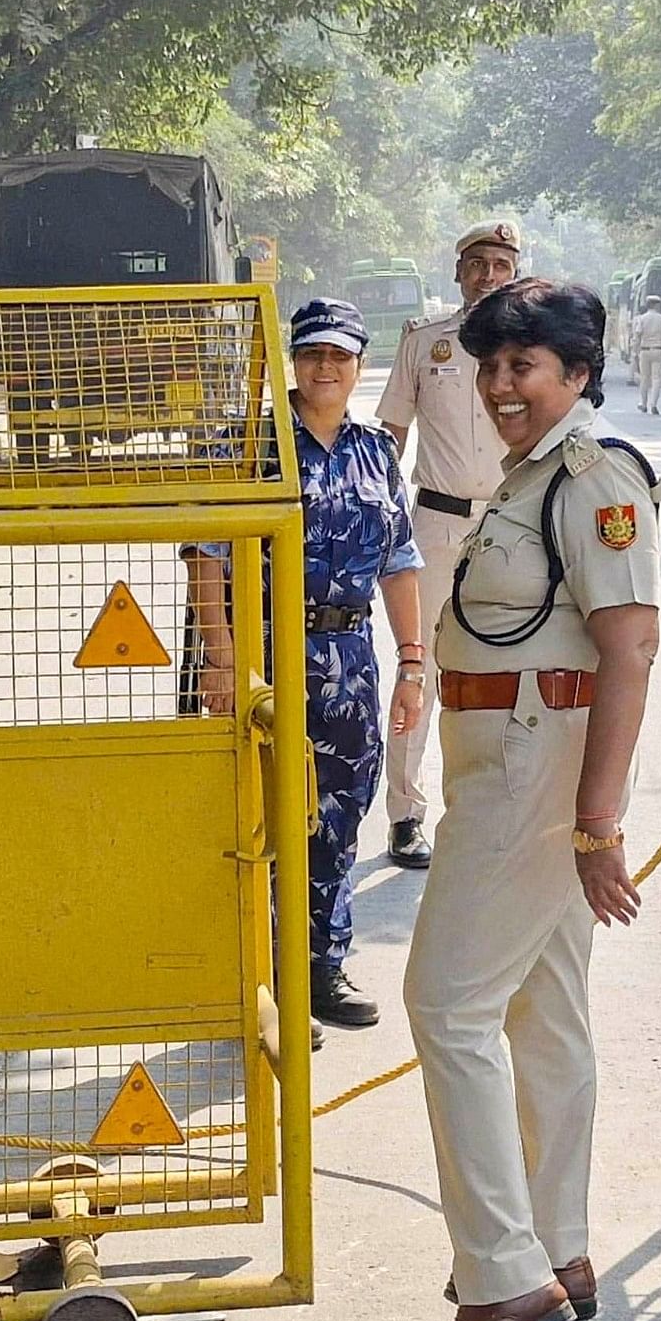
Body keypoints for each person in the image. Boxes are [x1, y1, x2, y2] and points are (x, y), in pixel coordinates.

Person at [401, 278, 658, 1321]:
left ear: (577, 375)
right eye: (489, 367)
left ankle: (503, 1275)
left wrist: (595, 825)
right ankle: (558, 1247)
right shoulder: (526, 478)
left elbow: (631, 649)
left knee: (445, 1002)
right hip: (502, 752)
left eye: (524, 367)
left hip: (530, 765)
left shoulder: (593, 480)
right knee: (543, 1009)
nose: (501, 386)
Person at [183, 299, 427, 1036]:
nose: (326, 367)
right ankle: (259, 981)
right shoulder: (252, 442)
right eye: (313, 354)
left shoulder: (374, 447)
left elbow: (400, 559)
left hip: (348, 657)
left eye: (340, 356)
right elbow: (206, 556)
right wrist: (220, 662)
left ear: (359, 364)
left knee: (339, 813)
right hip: (261, 651)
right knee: (261, 816)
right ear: (293, 360)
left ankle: (319, 966)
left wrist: (413, 663)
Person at [371, 220, 527, 872]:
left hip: (514, 525)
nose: (487, 275)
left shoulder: (534, 347)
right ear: (457, 271)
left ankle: (505, 811)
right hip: (433, 525)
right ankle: (406, 814)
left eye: (499, 264)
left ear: (514, 272)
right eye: (476, 264)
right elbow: (389, 435)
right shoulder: (424, 341)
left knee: (515, 671)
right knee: (420, 669)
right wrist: (376, 517)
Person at [622, 295, 661, 415]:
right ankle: (654, 404)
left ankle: (643, 404)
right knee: (657, 378)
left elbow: (637, 336)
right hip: (659, 350)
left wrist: (635, 351)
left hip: (644, 350)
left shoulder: (642, 319)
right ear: (657, 305)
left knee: (644, 378)